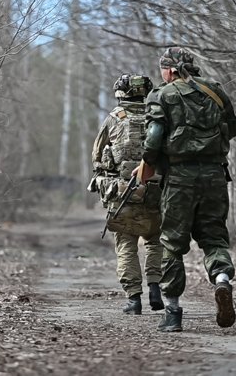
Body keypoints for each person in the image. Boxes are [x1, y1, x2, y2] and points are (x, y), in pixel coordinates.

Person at [136, 47, 236, 332]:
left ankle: (172, 313)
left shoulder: (162, 94)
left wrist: (147, 163)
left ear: (169, 70)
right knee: (214, 238)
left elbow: (154, 137)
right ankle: (221, 281)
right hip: (215, 176)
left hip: (180, 178)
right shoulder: (215, 91)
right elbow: (232, 128)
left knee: (171, 244)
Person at [90, 74, 165, 315]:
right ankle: (155, 286)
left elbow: (97, 157)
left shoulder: (114, 118)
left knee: (126, 244)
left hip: (124, 192)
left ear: (121, 94)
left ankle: (134, 299)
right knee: (155, 240)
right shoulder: (159, 117)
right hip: (157, 190)